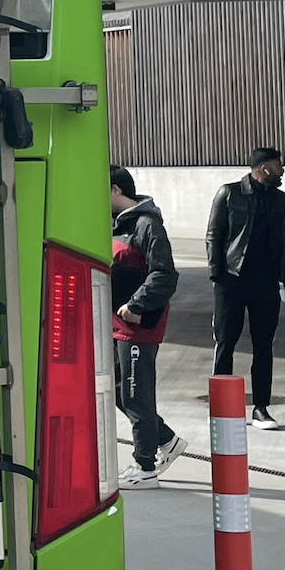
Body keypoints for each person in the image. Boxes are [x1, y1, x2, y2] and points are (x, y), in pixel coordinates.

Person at [205, 146, 285, 428]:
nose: (283, 170)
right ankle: (222, 408)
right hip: (232, 279)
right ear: (264, 168)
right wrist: (217, 275)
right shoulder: (229, 193)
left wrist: (282, 278)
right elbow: (214, 236)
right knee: (225, 343)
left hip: (266, 282)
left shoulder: (281, 200)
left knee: (264, 346)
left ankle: (261, 409)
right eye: (279, 165)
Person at [108, 166, 181, 485]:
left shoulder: (147, 225)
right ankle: (165, 440)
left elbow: (165, 274)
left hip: (138, 325)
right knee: (116, 390)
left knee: (136, 393)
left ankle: (145, 466)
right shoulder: (115, 225)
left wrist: (137, 305)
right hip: (116, 323)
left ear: (115, 190)